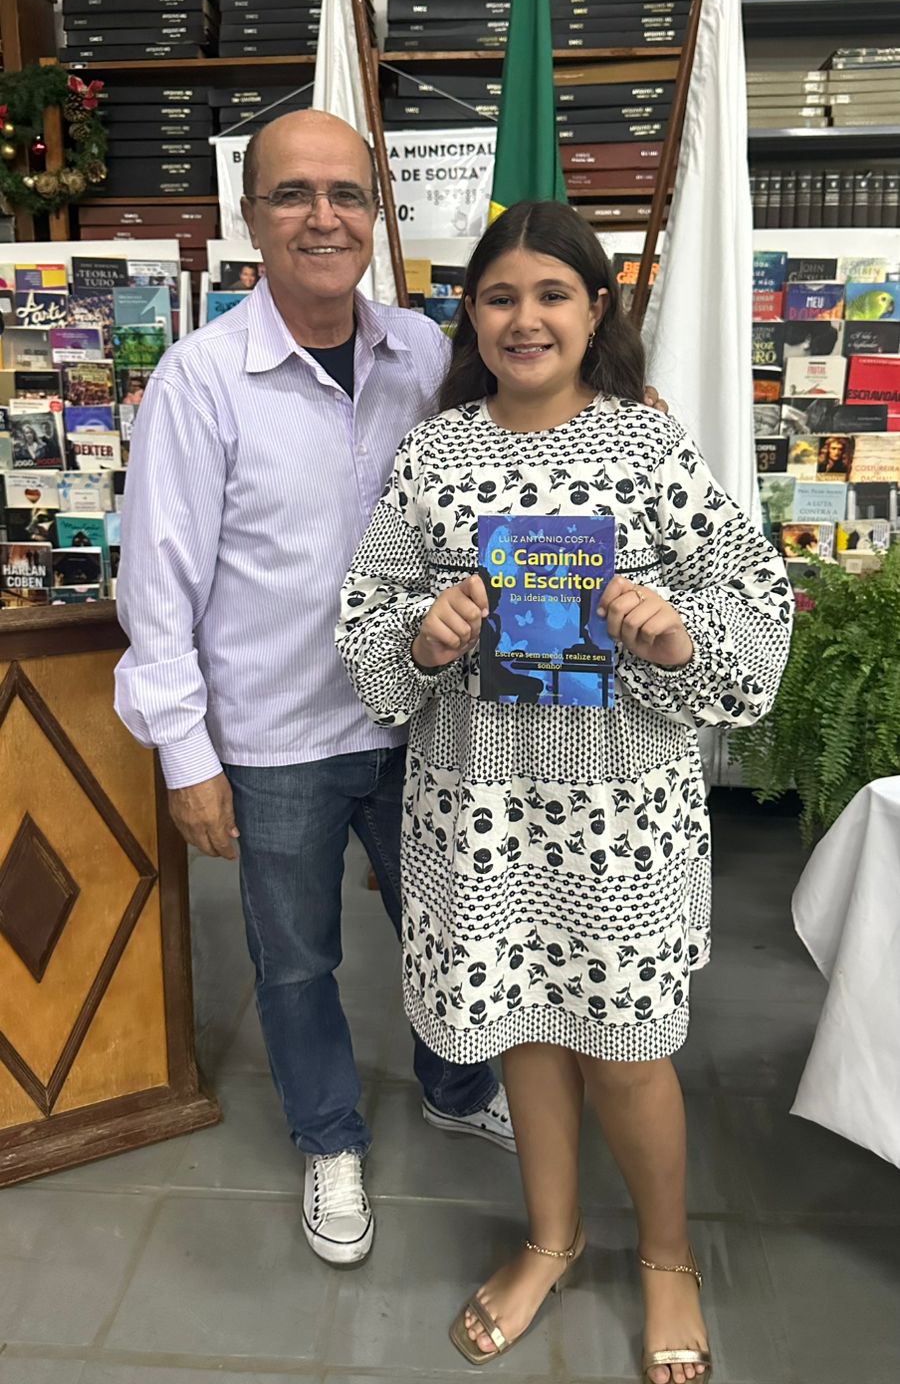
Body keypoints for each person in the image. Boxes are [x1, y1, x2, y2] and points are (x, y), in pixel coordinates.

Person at [337, 200, 793, 1378]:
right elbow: (368, 619)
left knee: (627, 1048)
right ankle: (551, 1236)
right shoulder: (435, 456)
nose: (525, 318)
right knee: (524, 1031)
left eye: (551, 294)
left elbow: (755, 598)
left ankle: (667, 1257)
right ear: (471, 316)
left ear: (598, 310)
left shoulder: (648, 448)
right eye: (500, 296)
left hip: (620, 817)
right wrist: (427, 633)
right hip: (478, 811)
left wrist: (676, 632)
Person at [114, 110, 515, 1269]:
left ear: (375, 213)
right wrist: (186, 755)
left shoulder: (426, 354)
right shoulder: (201, 380)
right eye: (294, 194)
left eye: (346, 193)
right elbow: (158, 582)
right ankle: (329, 1132)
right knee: (295, 960)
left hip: (422, 714)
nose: (323, 217)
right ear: (252, 216)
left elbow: (525, 443)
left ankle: (457, 1084)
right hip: (276, 734)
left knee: (447, 923)